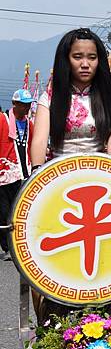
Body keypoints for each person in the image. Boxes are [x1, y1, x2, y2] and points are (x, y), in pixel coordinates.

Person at [29, 28, 111, 322]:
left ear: (100, 62)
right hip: (56, 186)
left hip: (100, 189)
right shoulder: (50, 97)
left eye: (92, 57)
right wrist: (37, 183)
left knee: (104, 261)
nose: (85, 63)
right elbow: (38, 144)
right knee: (44, 261)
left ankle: (107, 321)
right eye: (78, 57)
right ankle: (48, 324)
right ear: (66, 60)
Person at [0, 89, 34, 262]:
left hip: (22, 172)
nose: (27, 107)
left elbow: (32, 145)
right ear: (15, 104)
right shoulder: (2, 120)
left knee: (19, 211)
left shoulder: (30, 123)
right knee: (4, 211)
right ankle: (7, 247)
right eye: (23, 104)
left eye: (28, 104)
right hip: (4, 173)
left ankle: (18, 245)